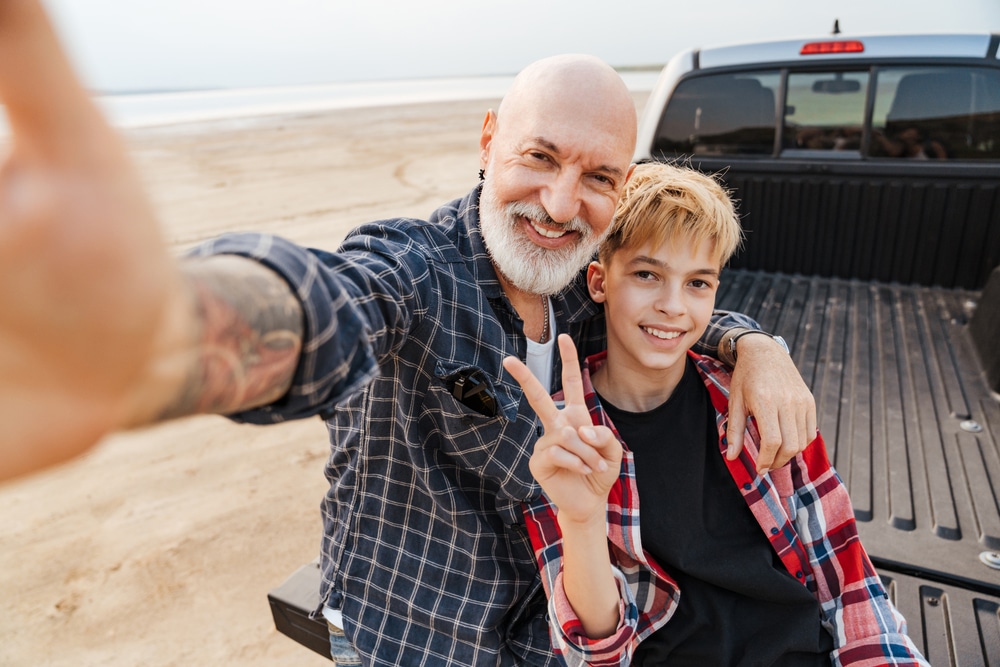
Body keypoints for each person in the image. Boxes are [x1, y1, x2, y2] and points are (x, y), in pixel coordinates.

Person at [0, 2, 818, 664]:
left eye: (597, 176)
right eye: (540, 156)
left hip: (546, 642)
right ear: (490, 139)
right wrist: (155, 332)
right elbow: (330, 306)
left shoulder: (580, 282)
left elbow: (663, 306)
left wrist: (753, 344)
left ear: (621, 186)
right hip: (409, 640)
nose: (563, 204)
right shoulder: (417, 270)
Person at [505, 162, 929, 666]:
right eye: (647, 274)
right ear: (599, 281)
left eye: (698, 284)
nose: (673, 306)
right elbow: (594, 652)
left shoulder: (756, 396)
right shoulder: (566, 433)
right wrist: (580, 517)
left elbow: (844, 576)